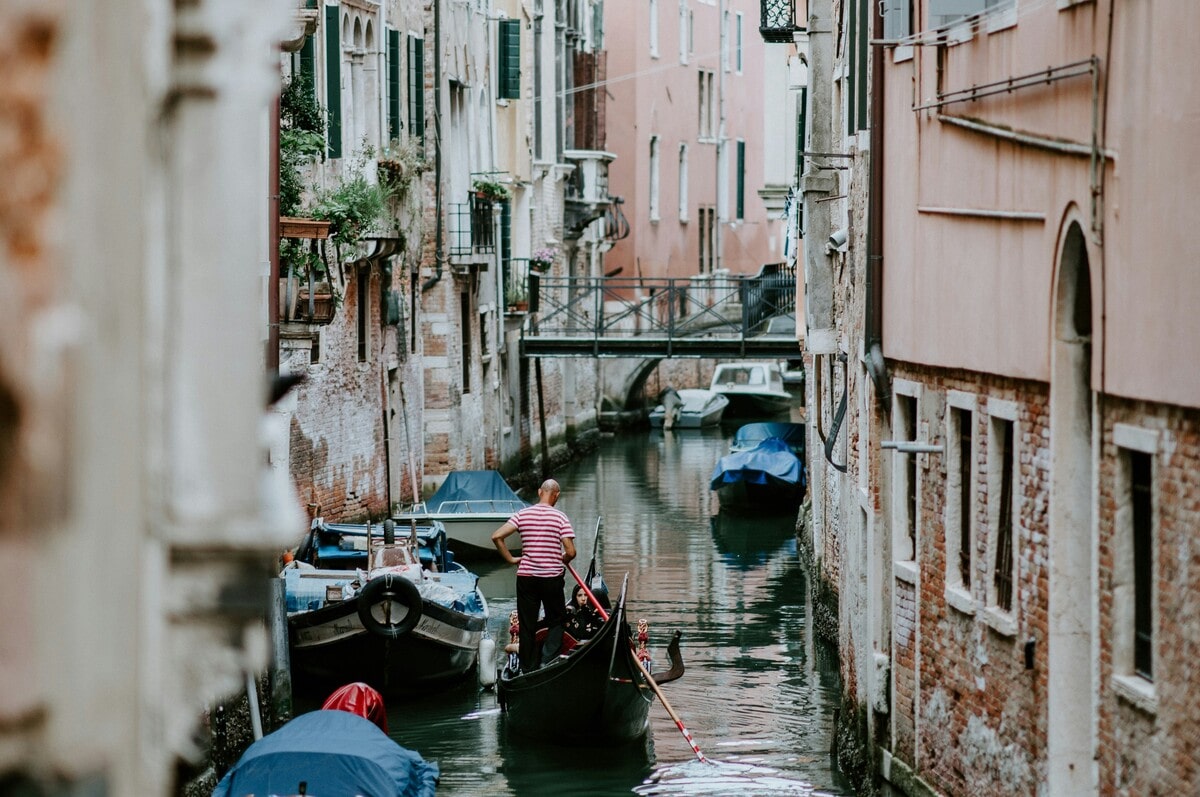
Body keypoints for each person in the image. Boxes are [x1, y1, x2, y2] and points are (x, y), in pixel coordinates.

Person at [492, 478, 577, 672]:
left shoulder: (522, 514)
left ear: (540, 492)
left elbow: (497, 536)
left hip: (527, 577)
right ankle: (547, 661)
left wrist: (511, 559)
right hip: (551, 578)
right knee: (556, 620)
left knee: (527, 624)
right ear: (556, 495)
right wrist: (561, 558)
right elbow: (571, 552)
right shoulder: (560, 517)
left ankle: (527, 669)